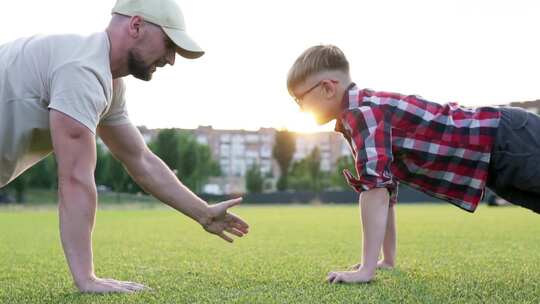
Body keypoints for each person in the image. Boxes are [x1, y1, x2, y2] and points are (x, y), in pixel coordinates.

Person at [0, 0, 249, 293]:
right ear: (135, 25)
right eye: (169, 44)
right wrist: (87, 279)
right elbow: (75, 178)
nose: (171, 59)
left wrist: (203, 212)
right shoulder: (82, 70)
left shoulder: (106, 81)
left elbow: (140, 159)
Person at [286, 44, 539, 284]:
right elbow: (385, 189)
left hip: (508, 140)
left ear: (328, 88)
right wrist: (387, 260)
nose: (300, 109)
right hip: (496, 156)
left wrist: (366, 269)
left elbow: (374, 191)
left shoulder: (363, 113)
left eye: (300, 99)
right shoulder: (360, 115)